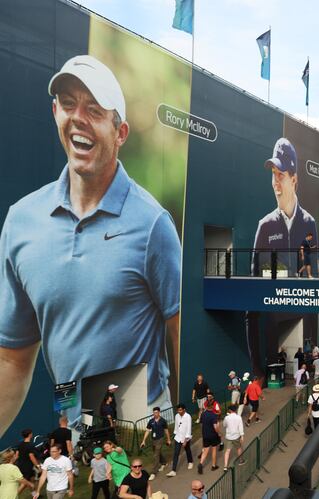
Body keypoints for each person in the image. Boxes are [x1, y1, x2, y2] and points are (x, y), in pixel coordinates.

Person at [0, 55, 181, 436]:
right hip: (77, 437)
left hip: (142, 435)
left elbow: (180, 337)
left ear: (121, 133)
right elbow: (12, 362)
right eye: (68, 104)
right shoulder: (21, 221)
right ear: (55, 112)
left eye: (94, 110)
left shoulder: (153, 225)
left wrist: (181, 429)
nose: (78, 117)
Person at [250, 137, 318, 276]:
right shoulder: (264, 225)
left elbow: (314, 268)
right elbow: (254, 274)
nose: (275, 182)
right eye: (273, 174)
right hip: (273, 296)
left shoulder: (309, 222)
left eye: (280, 175)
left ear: (294, 179)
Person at [140, 407, 170, 480]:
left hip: (160, 439)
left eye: (156, 412)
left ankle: (153, 473)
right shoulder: (151, 421)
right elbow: (147, 431)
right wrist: (143, 440)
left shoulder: (163, 421)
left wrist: (168, 439)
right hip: (153, 440)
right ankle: (164, 463)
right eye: (154, 413)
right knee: (158, 453)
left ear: (159, 412)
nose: (155, 414)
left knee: (156, 455)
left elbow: (166, 430)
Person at [166, 404, 193, 477]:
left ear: (184, 410)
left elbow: (189, 429)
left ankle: (190, 462)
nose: (179, 411)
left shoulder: (188, 417)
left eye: (180, 410)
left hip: (185, 437)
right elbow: (176, 426)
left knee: (187, 450)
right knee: (176, 453)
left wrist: (185, 440)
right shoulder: (177, 416)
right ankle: (173, 470)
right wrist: (175, 435)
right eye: (178, 410)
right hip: (178, 437)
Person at [197, 408, 221, 474]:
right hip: (213, 435)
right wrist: (219, 433)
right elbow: (215, 426)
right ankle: (213, 465)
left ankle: (201, 463)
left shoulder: (203, 414)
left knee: (205, 450)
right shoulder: (213, 415)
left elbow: (201, 424)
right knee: (214, 449)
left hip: (205, 435)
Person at [222, 405, 245, 471]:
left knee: (227, 450)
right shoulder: (238, 417)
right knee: (239, 448)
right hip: (236, 436)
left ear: (230, 410)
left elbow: (224, 425)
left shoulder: (227, 417)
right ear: (235, 410)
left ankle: (225, 466)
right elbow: (240, 427)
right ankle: (241, 460)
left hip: (229, 436)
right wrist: (242, 436)